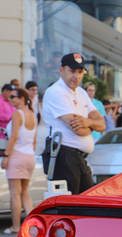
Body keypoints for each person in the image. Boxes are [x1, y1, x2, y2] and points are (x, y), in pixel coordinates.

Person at [42, 53, 106, 195]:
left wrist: (87, 122)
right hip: (64, 156)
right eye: (72, 71)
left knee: (87, 203)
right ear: (61, 70)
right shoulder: (56, 92)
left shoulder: (81, 93)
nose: (76, 76)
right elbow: (78, 130)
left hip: (78, 158)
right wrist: (93, 124)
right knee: (70, 206)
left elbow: (102, 125)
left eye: (80, 72)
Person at [0, 88, 37, 234]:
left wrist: (6, 155)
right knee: (24, 192)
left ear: (22, 98)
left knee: (15, 193)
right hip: (30, 156)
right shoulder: (33, 115)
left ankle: (16, 226)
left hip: (17, 155)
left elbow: (14, 136)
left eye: (13, 97)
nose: (11, 100)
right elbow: (34, 140)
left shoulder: (17, 114)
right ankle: (33, 225)